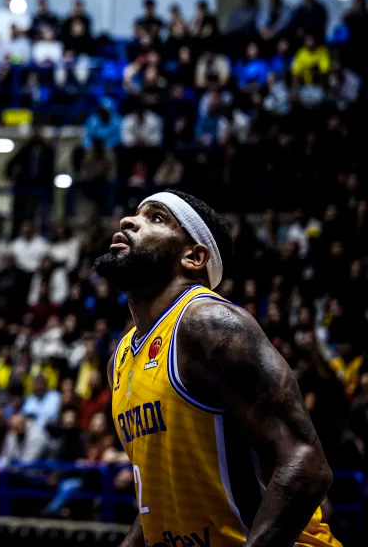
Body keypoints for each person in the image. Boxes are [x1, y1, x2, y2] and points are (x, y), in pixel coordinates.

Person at [98, 190, 340, 547]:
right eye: (136, 213)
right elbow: (164, 497)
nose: (128, 221)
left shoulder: (209, 324)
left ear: (194, 257)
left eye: (156, 218)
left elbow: (308, 466)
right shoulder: (120, 358)